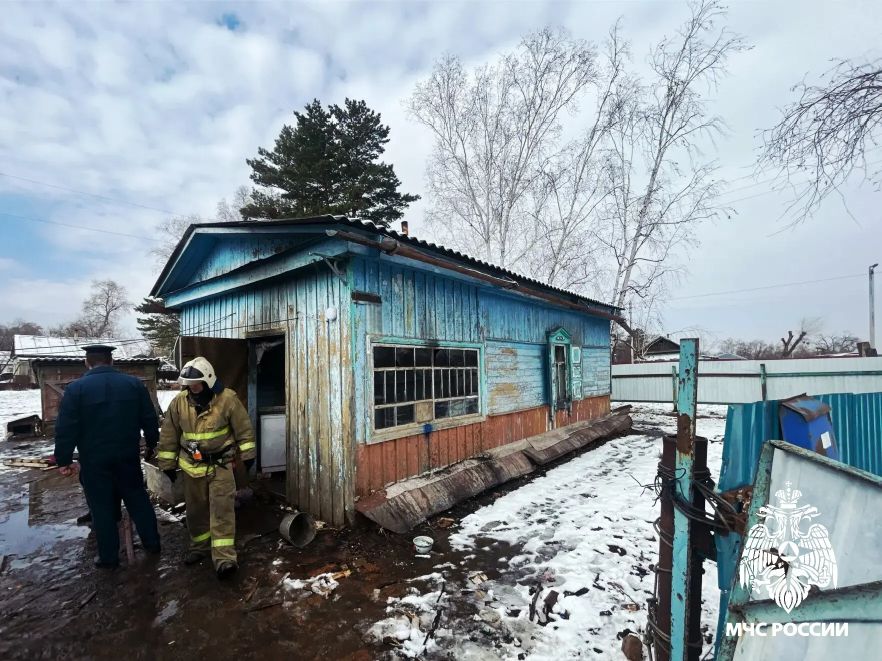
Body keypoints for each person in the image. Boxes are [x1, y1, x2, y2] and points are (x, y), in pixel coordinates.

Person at [55, 344, 161, 568]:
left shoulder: (76, 390)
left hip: (94, 462)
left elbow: (66, 429)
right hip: (127, 457)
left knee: (101, 508)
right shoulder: (133, 385)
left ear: (87, 362)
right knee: (138, 500)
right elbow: (150, 419)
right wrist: (152, 444)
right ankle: (152, 544)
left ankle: (109, 557)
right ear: (112, 361)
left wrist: (64, 460)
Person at [157, 357, 256, 579]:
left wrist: (248, 456)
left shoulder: (228, 399)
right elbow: (169, 435)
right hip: (192, 467)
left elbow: (244, 430)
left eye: (196, 385)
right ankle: (199, 548)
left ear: (209, 381)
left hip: (220, 466)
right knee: (195, 511)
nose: (192, 390)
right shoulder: (179, 403)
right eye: (189, 386)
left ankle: (224, 558)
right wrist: (167, 464)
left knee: (222, 511)